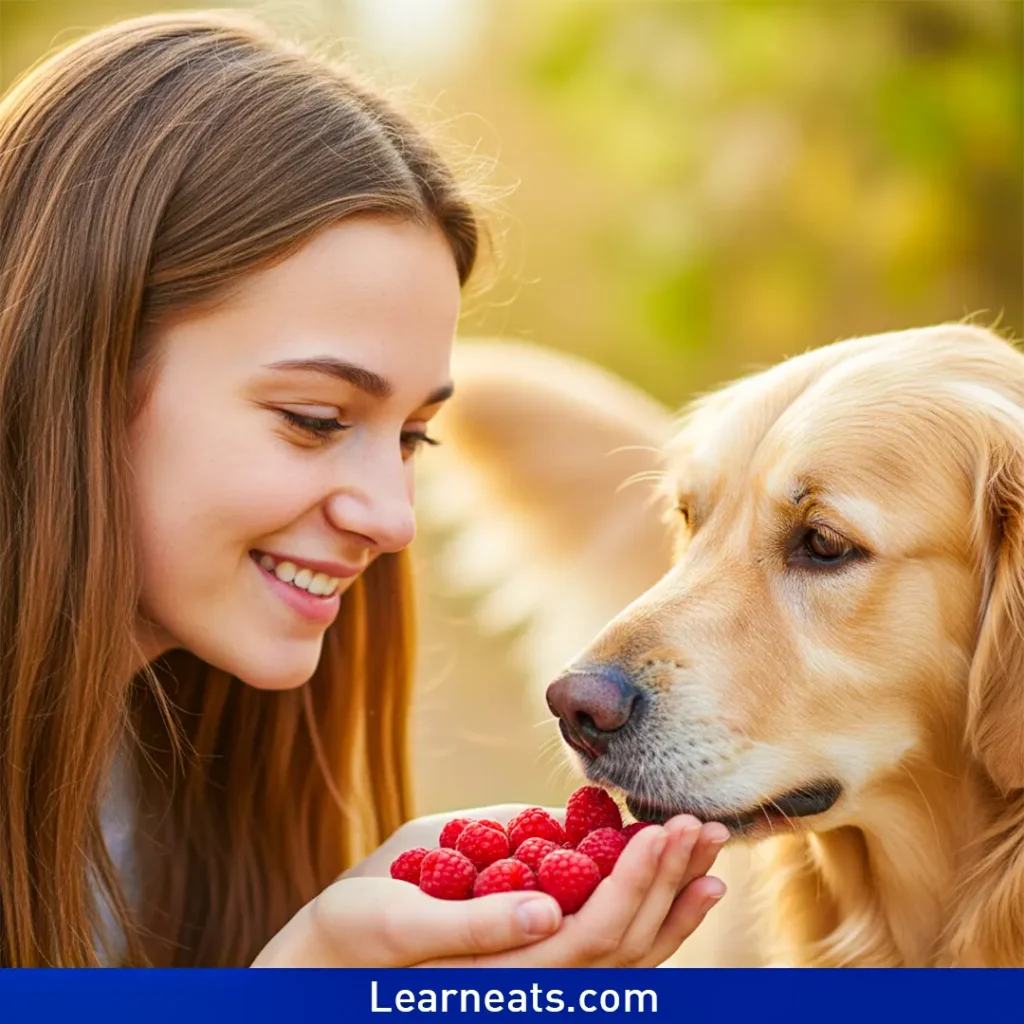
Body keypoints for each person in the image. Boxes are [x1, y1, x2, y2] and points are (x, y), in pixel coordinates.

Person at [0, 11, 727, 967]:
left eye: (412, 438)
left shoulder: (167, 779)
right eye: (314, 419)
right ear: (73, 364)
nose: (392, 520)